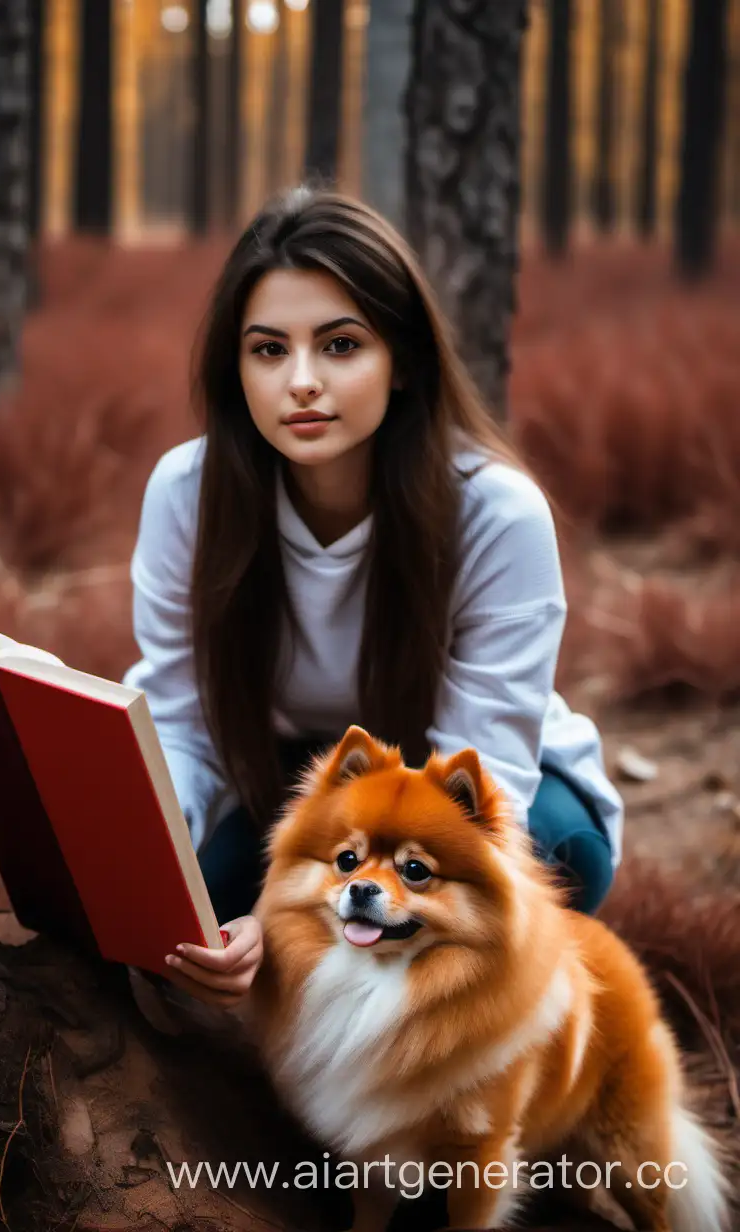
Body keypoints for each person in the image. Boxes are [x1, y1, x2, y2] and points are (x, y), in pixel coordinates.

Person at [121, 185, 623, 1015]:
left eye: (342, 344)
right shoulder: (187, 492)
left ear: (404, 363)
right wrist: (153, 849)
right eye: (269, 350)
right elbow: (179, 719)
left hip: (453, 786)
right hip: (282, 778)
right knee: (178, 913)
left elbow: (486, 770)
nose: (303, 382)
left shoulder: (494, 512)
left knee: (561, 849)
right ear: (234, 367)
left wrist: (285, 923)